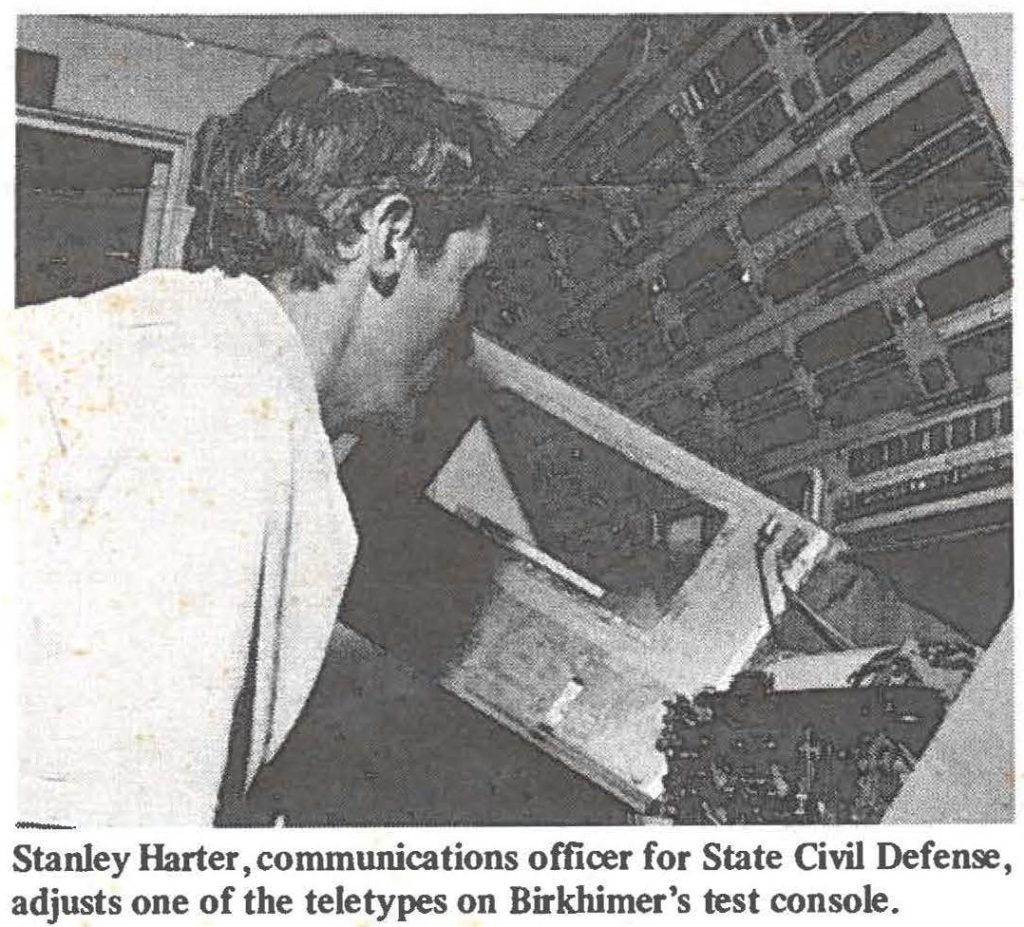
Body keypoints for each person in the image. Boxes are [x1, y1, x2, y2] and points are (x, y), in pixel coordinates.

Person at [16, 47, 504, 825]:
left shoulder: (170, 342)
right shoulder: (217, 425)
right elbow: (110, 860)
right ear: (386, 236)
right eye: (463, 283)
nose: (462, 335)